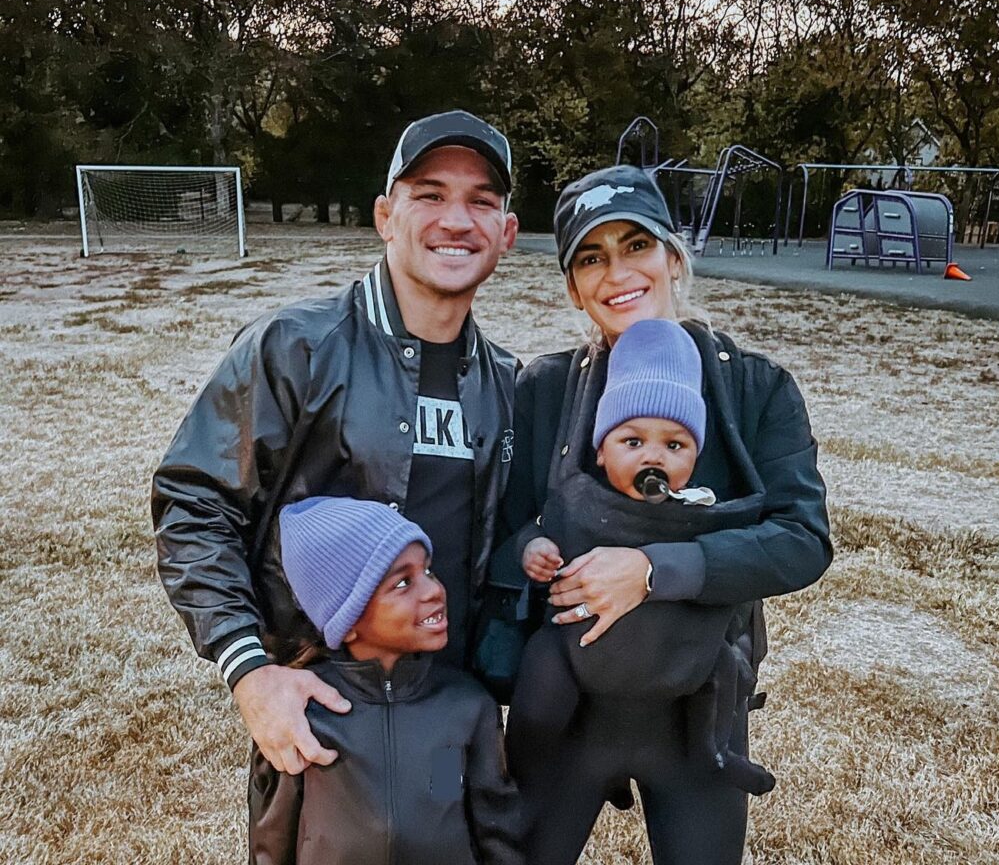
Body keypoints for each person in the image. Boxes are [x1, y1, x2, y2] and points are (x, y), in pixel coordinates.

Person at [152, 109, 520, 778]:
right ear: (386, 216)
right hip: (323, 712)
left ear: (507, 232)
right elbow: (195, 503)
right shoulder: (296, 347)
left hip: (454, 716)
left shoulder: (509, 384)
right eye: (430, 194)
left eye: (481, 201)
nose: (457, 220)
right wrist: (251, 672)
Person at [496, 164, 831, 864]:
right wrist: (530, 553)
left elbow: (802, 540)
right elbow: (505, 531)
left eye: (636, 246)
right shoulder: (545, 391)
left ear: (674, 258)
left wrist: (653, 569)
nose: (618, 272)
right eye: (592, 256)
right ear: (572, 286)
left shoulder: (753, 388)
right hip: (569, 713)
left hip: (699, 717)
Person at [509, 318, 774, 799]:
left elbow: (769, 546)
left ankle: (722, 754)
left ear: (695, 456)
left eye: (675, 445)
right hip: (579, 652)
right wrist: (534, 548)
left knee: (722, 676)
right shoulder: (576, 498)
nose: (654, 457)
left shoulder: (702, 506)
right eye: (632, 442)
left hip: (683, 654)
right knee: (541, 683)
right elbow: (533, 524)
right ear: (602, 451)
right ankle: (520, 770)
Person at [249, 496, 522, 865]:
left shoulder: (464, 707)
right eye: (403, 583)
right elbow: (273, 838)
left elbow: (491, 830)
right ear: (347, 621)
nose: (434, 590)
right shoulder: (303, 714)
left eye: (428, 570)